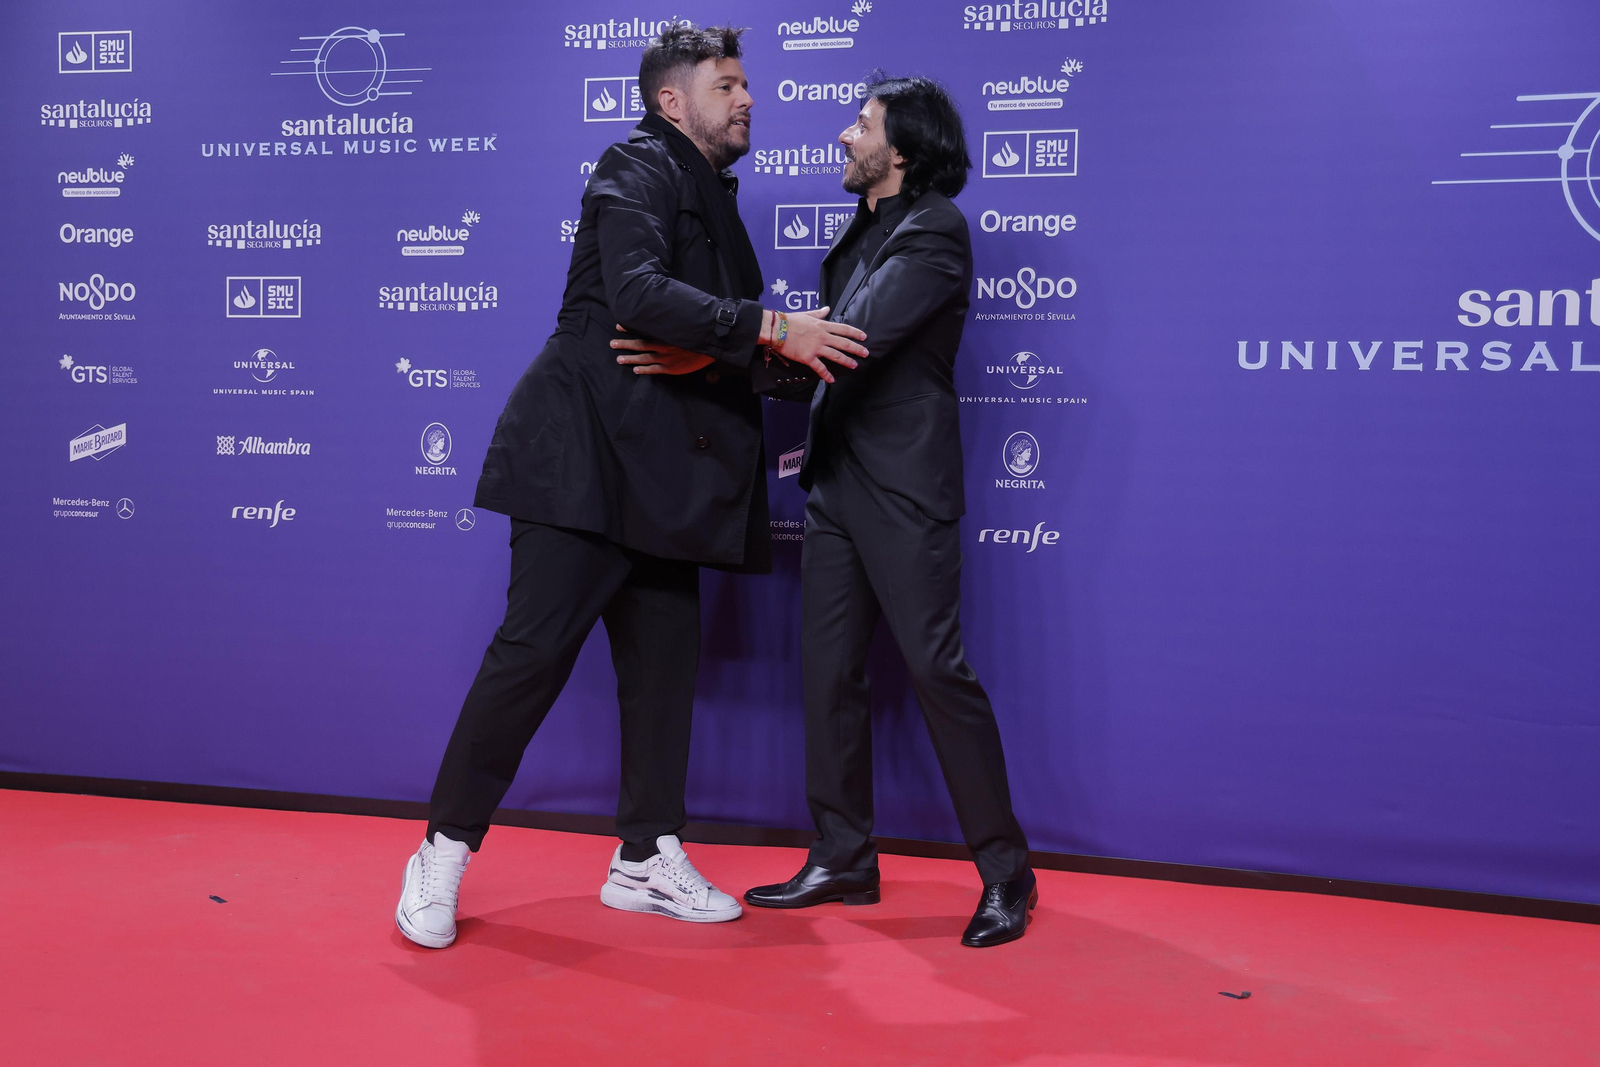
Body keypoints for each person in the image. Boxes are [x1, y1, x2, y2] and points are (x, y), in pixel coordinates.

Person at [395, 24, 867, 949]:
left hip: (668, 480)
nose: (748, 99)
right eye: (728, 85)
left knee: (662, 679)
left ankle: (645, 857)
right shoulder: (634, 165)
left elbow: (711, 350)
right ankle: (441, 849)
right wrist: (770, 328)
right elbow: (640, 298)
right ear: (671, 100)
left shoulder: (720, 207)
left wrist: (773, 349)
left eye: (747, 84)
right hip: (583, 464)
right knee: (528, 661)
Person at [741, 77, 1037, 947]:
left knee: (937, 672)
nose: (844, 137)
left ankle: (1006, 871)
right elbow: (823, 338)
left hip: (905, 493)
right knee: (828, 673)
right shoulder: (866, 231)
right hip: (835, 485)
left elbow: (850, 344)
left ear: (899, 152)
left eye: (861, 125)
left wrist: (726, 349)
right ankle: (842, 854)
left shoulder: (935, 229)